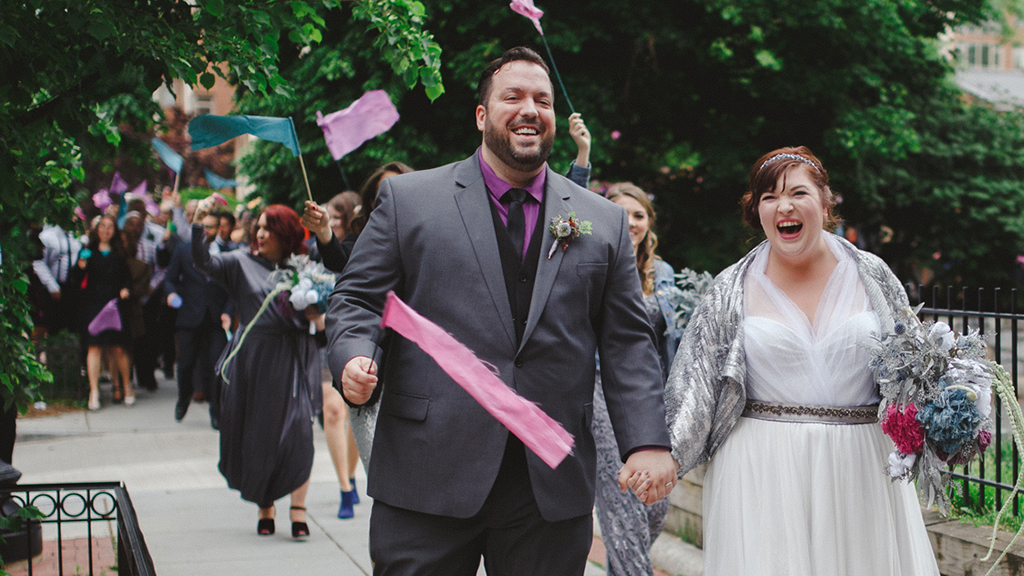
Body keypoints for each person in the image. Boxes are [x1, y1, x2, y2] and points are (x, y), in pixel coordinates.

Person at [328, 46, 677, 574]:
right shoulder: (409, 201)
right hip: (429, 470)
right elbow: (357, 298)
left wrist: (647, 440)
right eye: (512, 96)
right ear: (482, 115)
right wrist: (353, 355)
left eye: (543, 100)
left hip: (549, 480)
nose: (530, 109)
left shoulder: (600, 221)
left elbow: (628, 341)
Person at [662, 146, 940, 575]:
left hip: (860, 468)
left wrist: (946, 410)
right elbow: (694, 384)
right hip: (762, 470)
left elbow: (915, 367)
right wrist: (666, 455)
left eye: (798, 193)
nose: (783, 206)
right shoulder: (730, 287)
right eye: (769, 197)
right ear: (756, 211)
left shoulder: (873, 274)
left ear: (825, 202)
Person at [192, 200, 324, 539]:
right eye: (259, 227)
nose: (260, 233)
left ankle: (298, 507)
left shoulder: (304, 269)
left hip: (292, 357)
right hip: (253, 360)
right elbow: (203, 261)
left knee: (299, 433)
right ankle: (265, 505)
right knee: (259, 435)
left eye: (268, 228)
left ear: (286, 234)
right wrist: (198, 225)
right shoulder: (239, 263)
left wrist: (315, 310)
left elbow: (321, 313)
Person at [595, 184, 683, 576]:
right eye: (620, 213)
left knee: (656, 504)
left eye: (638, 215)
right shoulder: (591, 263)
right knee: (621, 492)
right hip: (596, 386)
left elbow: (675, 337)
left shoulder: (662, 274)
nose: (630, 222)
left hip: (651, 392)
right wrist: (582, 156)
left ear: (649, 223)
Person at [302, 189, 364, 519]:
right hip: (323, 341)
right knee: (333, 411)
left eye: (336, 217)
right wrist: (309, 309)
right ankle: (343, 486)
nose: (331, 223)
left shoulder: (361, 247)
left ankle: (352, 475)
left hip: (355, 339)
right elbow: (300, 290)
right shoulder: (315, 253)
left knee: (355, 414)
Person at [164, 212, 234, 427]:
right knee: (185, 364)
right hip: (190, 316)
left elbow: (233, 288)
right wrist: (171, 294)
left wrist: (228, 312)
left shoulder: (226, 254)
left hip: (215, 319)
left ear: (218, 229)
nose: (206, 231)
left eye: (211, 227)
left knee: (216, 367)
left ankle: (216, 411)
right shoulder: (184, 250)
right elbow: (170, 278)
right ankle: (184, 397)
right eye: (203, 227)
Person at [72, 215, 133, 411]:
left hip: (115, 305)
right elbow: (76, 278)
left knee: (118, 348)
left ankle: (127, 385)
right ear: (97, 229)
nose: (106, 230)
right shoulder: (88, 252)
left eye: (110, 227)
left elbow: (127, 278)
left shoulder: (119, 254)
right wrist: (81, 267)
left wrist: (125, 289)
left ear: (114, 231)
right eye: (103, 226)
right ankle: (94, 391)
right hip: (93, 305)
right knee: (94, 347)